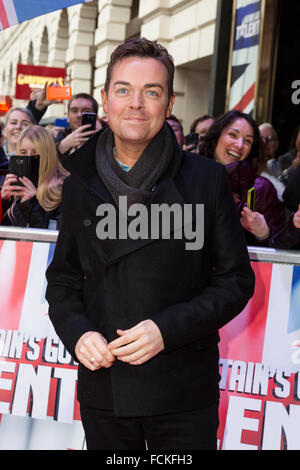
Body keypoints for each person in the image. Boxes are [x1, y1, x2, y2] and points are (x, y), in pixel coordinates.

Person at [45, 37, 255, 451]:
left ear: (169, 103)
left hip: (182, 391)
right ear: (106, 100)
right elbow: (63, 281)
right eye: (123, 90)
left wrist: (166, 329)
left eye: (151, 92)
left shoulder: (205, 180)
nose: (136, 103)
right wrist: (79, 332)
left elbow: (235, 281)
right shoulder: (78, 183)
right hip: (106, 387)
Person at [199, 110, 285, 246]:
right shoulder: (191, 175)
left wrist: (264, 233)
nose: (239, 145)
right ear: (216, 137)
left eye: (247, 141)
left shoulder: (261, 188)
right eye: (233, 135)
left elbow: (282, 245)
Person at [1, 125, 68, 228]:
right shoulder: (13, 187)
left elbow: (53, 237)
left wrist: (32, 205)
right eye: (23, 152)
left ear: (47, 155)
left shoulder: (65, 188)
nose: (28, 158)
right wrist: (3, 201)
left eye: (35, 153)